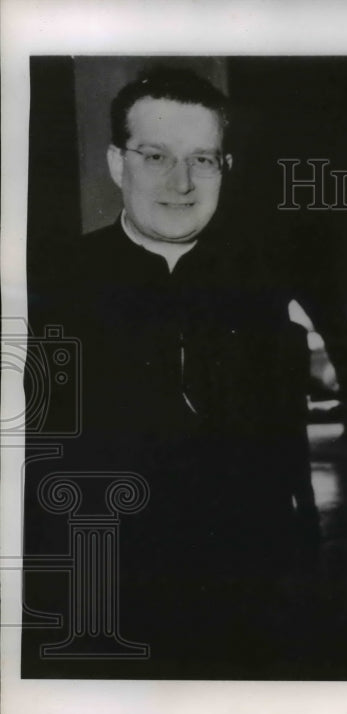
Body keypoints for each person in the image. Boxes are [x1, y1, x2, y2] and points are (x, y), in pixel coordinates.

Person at [23, 67, 317, 678]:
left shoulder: (262, 287)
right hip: (94, 603)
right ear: (115, 163)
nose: (180, 182)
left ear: (225, 169)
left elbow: (287, 463)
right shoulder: (49, 289)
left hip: (246, 608)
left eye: (202, 160)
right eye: (155, 155)